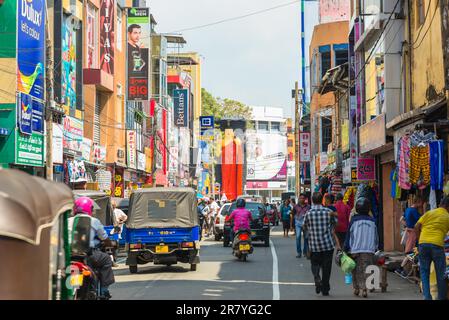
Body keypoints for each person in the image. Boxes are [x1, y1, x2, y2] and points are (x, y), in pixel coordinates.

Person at [68, 197, 115, 299]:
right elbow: (105, 238)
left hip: (68, 256)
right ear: (89, 209)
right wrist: (110, 244)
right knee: (106, 259)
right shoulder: (94, 221)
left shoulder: (68, 221)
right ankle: (104, 290)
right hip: (88, 256)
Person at [303, 192, 341, 296]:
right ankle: (325, 288)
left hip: (314, 245)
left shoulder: (308, 213)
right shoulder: (328, 212)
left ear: (312, 200)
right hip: (327, 245)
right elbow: (336, 223)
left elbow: (304, 227)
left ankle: (317, 278)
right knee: (326, 267)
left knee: (314, 264)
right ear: (322, 200)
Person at [414, 196, 449, 300]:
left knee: (424, 272)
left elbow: (416, 226)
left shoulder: (429, 213)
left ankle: (427, 297)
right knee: (440, 273)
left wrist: (419, 239)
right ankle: (441, 298)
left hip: (423, 244)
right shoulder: (447, 216)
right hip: (437, 245)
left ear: (440, 204)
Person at [344, 197, 378, 298]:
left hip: (355, 248)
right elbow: (376, 236)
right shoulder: (373, 221)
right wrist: (376, 247)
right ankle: (365, 289)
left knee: (356, 269)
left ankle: (357, 288)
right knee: (367, 268)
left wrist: (346, 248)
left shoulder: (354, 221)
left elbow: (349, 235)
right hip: (369, 249)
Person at [110, 199, 128, 267]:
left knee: (115, 246)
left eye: (113, 205)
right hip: (109, 231)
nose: (112, 206)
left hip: (117, 231)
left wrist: (121, 221)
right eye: (111, 205)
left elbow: (126, 217)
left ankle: (114, 260)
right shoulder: (108, 212)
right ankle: (111, 261)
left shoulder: (118, 211)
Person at [292, 194, 310, 258]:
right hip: (298, 223)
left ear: (305, 199)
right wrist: (292, 226)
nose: (302, 199)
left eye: (303, 198)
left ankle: (305, 252)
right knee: (298, 237)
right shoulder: (295, 206)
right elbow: (293, 215)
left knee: (306, 238)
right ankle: (299, 252)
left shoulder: (308, 207)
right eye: (300, 198)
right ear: (299, 199)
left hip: (305, 224)